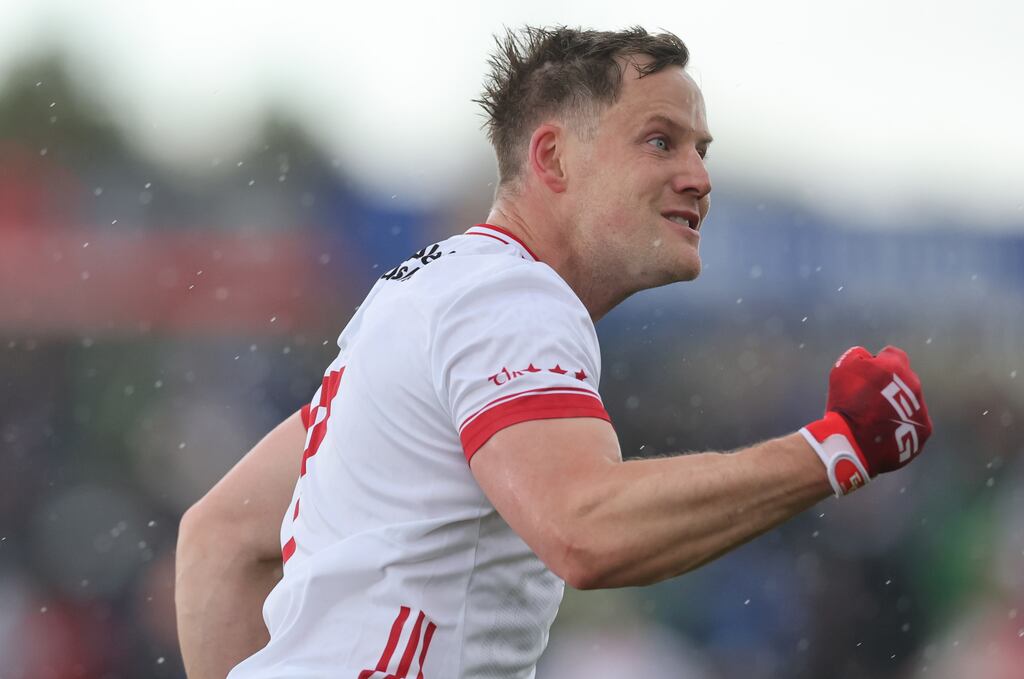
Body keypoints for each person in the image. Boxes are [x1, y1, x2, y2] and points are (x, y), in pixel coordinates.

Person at [174, 26, 933, 679]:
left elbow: (217, 537)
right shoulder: (511, 298)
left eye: (701, 150)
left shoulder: (430, 292)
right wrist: (835, 448)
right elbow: (585, 530)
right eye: (660, 141)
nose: (699, 177)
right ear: (553, 158)